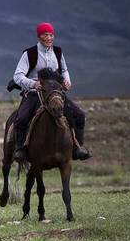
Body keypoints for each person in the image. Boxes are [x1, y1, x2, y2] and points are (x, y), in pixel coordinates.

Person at [11, 22, 91, 161]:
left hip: (55, 93)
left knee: (79, 115)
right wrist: (33, 84)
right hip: (35, 93)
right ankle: (20, 149)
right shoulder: (29, 54)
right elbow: (17, 76)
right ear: (39, 36)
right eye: (45, 35)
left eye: (51, 35)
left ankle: (77, 148)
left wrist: (66, 81)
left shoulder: (58, 52)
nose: (48, 38)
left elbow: (64, 70)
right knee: (22, 118)